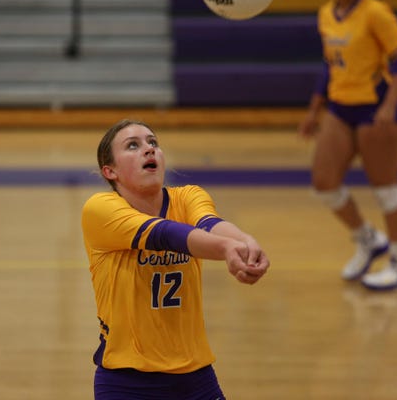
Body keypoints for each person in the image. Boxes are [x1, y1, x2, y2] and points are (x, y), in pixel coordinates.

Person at [81, 119, 270, 399]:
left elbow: (209, 223)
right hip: (126, 381)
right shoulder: (100, 210)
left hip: (195, 378)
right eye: (133, 145)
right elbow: (166, 234)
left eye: (153, 142)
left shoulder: (189, 196)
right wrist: (227, 249)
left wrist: (243, 241)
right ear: (110, 171)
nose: (149, 149)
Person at [299, 0, 397, 290]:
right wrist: (314, 110)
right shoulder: (325, 14)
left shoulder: (376, 12)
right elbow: (329, 65)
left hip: (375, 110)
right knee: (324, 182)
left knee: (386, 189)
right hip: (340, 108)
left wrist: (390, 106)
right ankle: (368, 240)